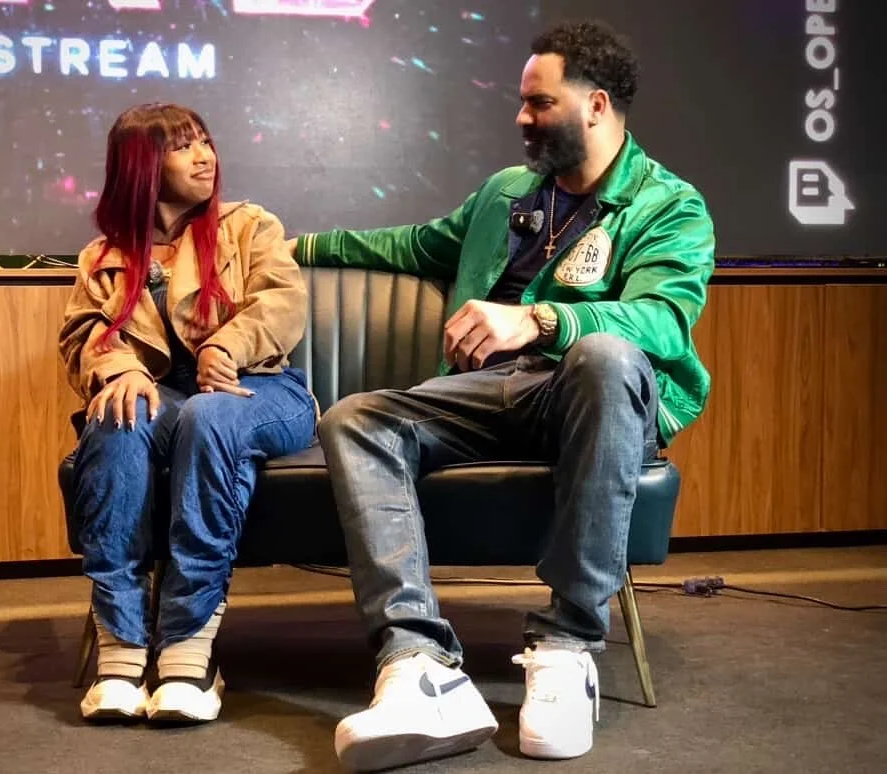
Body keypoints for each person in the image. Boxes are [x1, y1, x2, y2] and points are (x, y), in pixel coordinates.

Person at [289, 20, 716, 771]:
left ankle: (568, 642)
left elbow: (663, 320)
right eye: (522, 103)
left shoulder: (669, 206)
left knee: (608, 356)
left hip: (592, 398)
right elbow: (413, 245)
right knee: (356, 418)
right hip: (488, 395)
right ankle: (417, 662)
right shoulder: (506, 194)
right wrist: (289, 247)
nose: (521, 118)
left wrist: (539, 318)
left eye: (539, 103)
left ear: (597, 105)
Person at [59, 102, 317, 724]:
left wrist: (228, 343)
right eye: (185, 147)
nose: (206, 156)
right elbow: (82, 334)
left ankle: (187, 641)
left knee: (208, 417)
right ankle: (120, 641)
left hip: (261, 389)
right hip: (161, 393)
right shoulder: (104, 256)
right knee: (117, 419)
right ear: (144, 166)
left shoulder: (249, 226)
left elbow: (283, 303)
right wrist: (115, 368)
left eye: (206, 142)